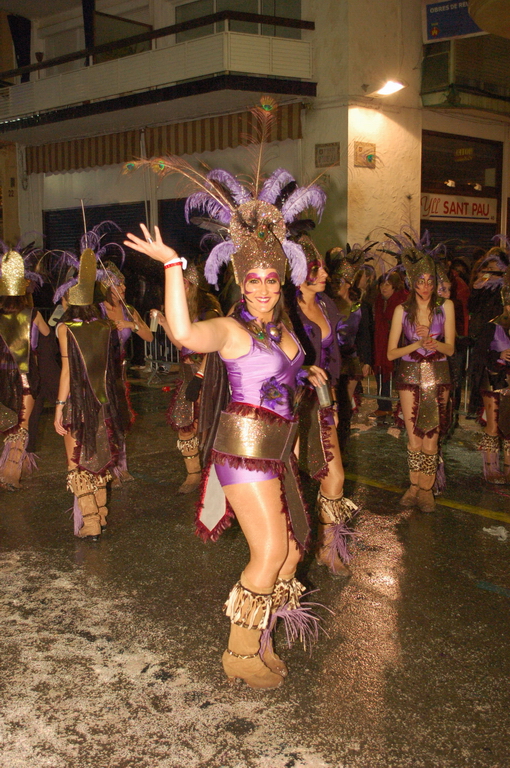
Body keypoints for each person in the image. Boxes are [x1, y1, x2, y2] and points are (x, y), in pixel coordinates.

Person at [124, 108, 327, 688]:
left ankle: (260, 639)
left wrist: (307, 380)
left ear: (282, 279)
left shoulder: (287, 331)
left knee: (291, 553)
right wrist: (172, 266)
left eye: (271, 278)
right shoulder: (233, 331)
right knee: (269, 553)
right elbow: (186, 334)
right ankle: (239, 655)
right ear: (240, 280)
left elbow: (286, 381)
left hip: (278, 448)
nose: (262, 288)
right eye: (252, 279)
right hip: (243, 452)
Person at [286, 233, 358, 577]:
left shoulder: (327, 304)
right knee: (292, 481)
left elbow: (335, 357)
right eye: (317, 270)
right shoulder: (283, 308)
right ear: (299, 273)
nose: (326, 275)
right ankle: (288, 553)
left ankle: (329, 548)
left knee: (335, 476)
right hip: (290, 404)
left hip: (323, 400)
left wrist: (336, 401)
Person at [53, 240, 130, 539]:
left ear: (69, 299)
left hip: (77, 402)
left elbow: (67, 372)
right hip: (104, 403)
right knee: (98, 459)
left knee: (76, 462)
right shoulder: (104, 326)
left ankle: (91, 522)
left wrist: (59, 407)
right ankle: (101, 513)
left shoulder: (65, 329)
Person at [387, 234, 455, 512]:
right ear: (412, 282)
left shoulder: (446, 306)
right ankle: (414, 485)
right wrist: (417, 343)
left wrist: (434, 342)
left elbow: (451, 348)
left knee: (432, 436)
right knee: (413, 436)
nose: (425, 287)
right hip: (409, 375)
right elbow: (391, 353)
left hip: (438, 374)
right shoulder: (401, 310)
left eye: (430, 281)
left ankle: (427, 488)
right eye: (420, 281)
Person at [153, 262, 228, 493]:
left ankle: (215, 477)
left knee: (207, 426)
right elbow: (181, 344)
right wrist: (165, 323)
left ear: (190, 285)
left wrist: (200, 376)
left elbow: (214, 348)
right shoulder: (185, 310)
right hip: (187, 373)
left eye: (181, 283)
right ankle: (193, 474)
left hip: (207, 374)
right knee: (184, 424)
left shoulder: (210, 311)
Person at [0, 247, 50, 490]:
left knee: (9, 423)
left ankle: (8, 471)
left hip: (3, 375)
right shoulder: (33, 314)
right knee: (22, 425)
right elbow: (47, 334)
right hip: (26, 376)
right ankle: (10, 473)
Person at [99, 261, 153, 483]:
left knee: (120, 417)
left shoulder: (129, 310)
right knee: (104, 419)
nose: (124, 288)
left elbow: (149, 336)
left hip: (119, 372)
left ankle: (121, 466)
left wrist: (132, 325)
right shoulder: (97, 310)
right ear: (106, 287)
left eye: (123, 284)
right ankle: (106, 468)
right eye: (118, 284)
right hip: (99, 372)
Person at [326, 243, 375, 450]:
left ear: (349, 284)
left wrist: (367, 360)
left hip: (350, 360)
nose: (336, 285)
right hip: (329, 361)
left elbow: (365, 335)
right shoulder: (326, 305)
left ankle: (343, 445)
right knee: (331, 405)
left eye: (340, 281)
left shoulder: (360, 307)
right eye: (334, 281)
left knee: (345, 405)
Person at [473, 266, 510, 482]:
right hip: (493, 379)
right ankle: (490, 468)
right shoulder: (493, 326)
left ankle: (508, 468)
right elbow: (479, 355)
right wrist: (499, 354)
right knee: (494, 424)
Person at [372, 270, 408, 418]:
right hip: (381, 344)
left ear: (395, 286)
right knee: (382, 373)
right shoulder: (378, 301)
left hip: (399, 345)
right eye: (382, 284)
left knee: (401, 375)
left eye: (388, 284)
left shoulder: (403, 301)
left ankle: (403, 407)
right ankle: (384, 405)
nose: (384, 287)